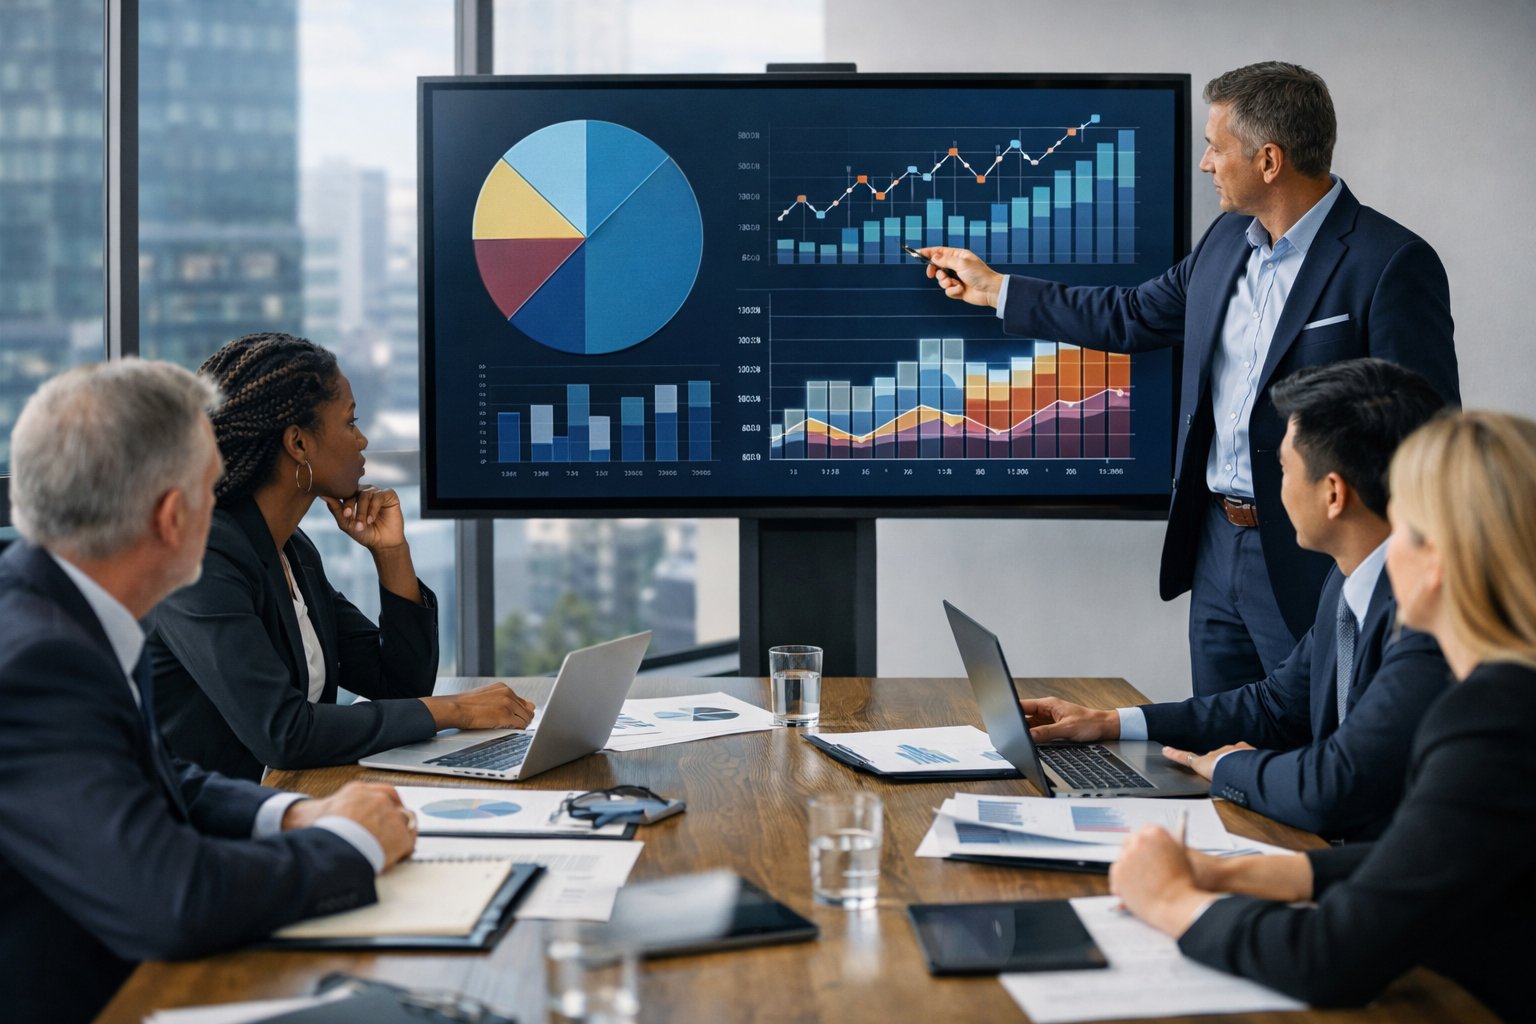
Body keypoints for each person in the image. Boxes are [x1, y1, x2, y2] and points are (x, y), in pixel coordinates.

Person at [919, 61, 1459, 696]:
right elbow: (1133, 314)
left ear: (1269, 160)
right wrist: (996, 289)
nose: (1205, 163)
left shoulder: (1390, 262)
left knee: (1313, 754)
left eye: (1215, 146)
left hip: (1316, 557)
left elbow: (1430, 441)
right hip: (1215, 546)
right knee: (1218, 750)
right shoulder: (1227, 241)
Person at [0, 360, 418, 1023]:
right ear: (174, 516)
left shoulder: (62, 611)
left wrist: (289, 814)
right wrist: (352, 845)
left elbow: (161, 775)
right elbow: (173, 898)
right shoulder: (38, 661)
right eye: (210, 486)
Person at [1108, 410, 1536, 1020]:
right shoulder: (1509, 697)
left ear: (1435, 559)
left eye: (1403, 529)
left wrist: (1172, 900)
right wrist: (1242, 876)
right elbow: (1430, 857)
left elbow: (1330, 960)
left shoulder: (1492, 720)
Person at [1020, 359, 1450, 840]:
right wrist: (1111, 722)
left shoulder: (1431, 614)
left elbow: (1340, 785)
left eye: (1283, 468)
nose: (1274, 487)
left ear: (1333, 494)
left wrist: (1232, 767)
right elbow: (1274, 707)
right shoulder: (1352, 581)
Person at [145, 332, 534, 782]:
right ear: (299, 444)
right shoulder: (198, 559)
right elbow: (284, 732)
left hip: (289, 801)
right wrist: (458, 709)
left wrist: (392, 554)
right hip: (196, 831)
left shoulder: (291, 550)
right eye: (350, 423)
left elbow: (399, 686)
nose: (363, 439)